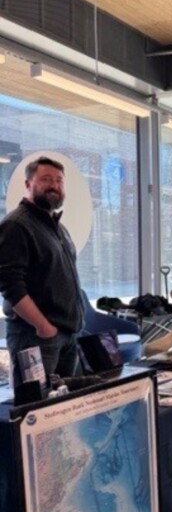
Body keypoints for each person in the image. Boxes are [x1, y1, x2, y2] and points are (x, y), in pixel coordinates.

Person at [0, 156, 85, 388]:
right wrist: (43, 327)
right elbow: (10, 285)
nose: (54, 185)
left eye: (59, 180)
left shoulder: (58, 228)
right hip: (35, 338)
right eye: (45, 179)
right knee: (35, 413)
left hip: (66, 336)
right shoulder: (16, 225)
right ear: (28, 184)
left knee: (66, 411)